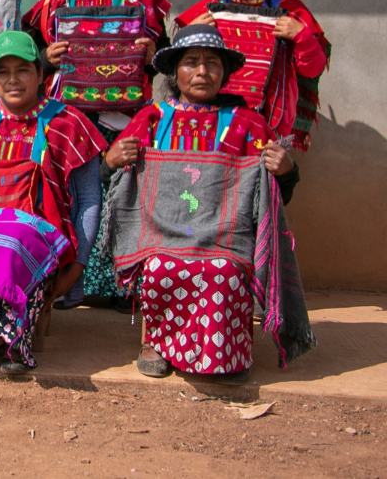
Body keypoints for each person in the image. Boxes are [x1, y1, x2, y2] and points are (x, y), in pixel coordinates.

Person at [104, 24, 300, 385]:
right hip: (161, 235)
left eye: (212, 63)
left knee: (224, 270)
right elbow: (114, 185)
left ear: (224, 72)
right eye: (191, 62)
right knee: (161, 265)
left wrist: (286, 172)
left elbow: (271, 200)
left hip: (227, 240)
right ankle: (157, 344)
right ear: (174, 71)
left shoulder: (249, 125)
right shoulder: (152, 119)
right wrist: (110, 161)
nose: (202, 72)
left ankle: (226, 352)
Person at [22, 0, 171, 310]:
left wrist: (154, 55)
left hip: (126, 119)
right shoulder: (54, 1)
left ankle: (120, 286)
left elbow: (172, 61)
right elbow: (23, 55)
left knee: (123, 194)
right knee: (72, 197)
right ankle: (70, 282)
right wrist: (46, 58)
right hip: (68, 121)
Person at [0, 31, 107, 372]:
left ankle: (15, 339)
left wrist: (78, 266)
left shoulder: (68, 123)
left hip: (39, 246)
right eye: (3, 72)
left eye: (23, 70)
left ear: (41, 74)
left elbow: (90, 198)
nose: (13, 80)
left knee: (12, 240)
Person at [174, 0, 330, 150]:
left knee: (263, 183)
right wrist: (189, 34)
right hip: (211, 122)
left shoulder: (292, 12)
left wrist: (301, 36)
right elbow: (176, 67)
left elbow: (312, 69)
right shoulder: (207, 10)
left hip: (270, 126)